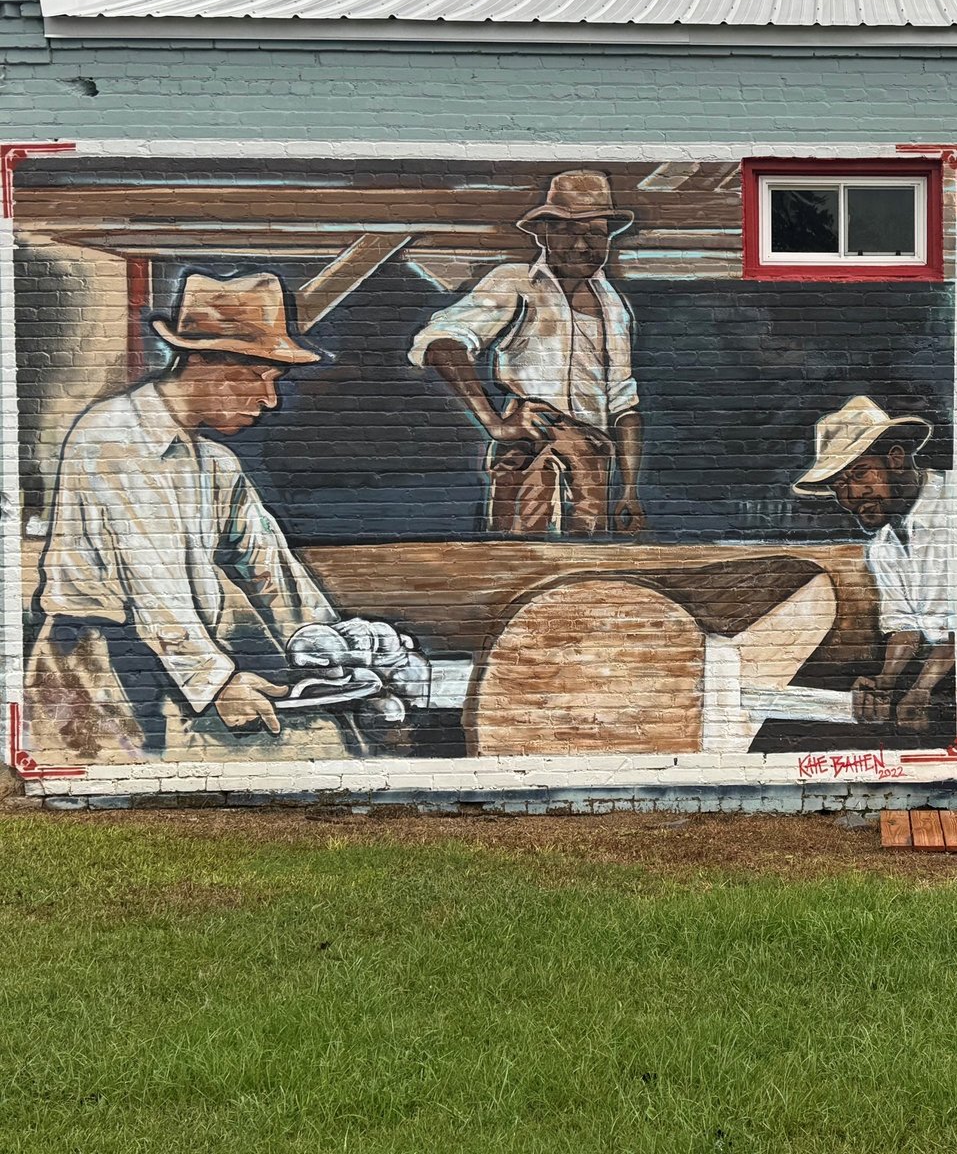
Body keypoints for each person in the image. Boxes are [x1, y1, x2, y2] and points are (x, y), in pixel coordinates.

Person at [26, 272, 414, 763]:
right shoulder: (116, 438)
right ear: (205, 362)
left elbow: (270, 566)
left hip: (177, 654)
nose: (269, 400)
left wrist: (329, 645)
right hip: (98, 661)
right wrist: (217, 682)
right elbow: (154, 581)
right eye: (258, 378)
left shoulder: (215, 462)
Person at [411, 169, 644, 536]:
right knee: (523, 560)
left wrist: (629, 489)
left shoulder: (614, 306)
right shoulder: (515, 283)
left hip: (592, 460)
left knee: (585, 572)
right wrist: (494, 423)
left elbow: (623, 405)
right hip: (531, 449)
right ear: (545, 233)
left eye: (595, 234)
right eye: (568, 231)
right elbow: (443, 344)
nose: (582, 245)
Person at [793, 396, 955, 737]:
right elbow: (906, 626)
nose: (852, 495)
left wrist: (922, 689)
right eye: (839, 486)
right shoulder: (882, 546)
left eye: (860, 473)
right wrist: (885, 680)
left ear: (895, 458)